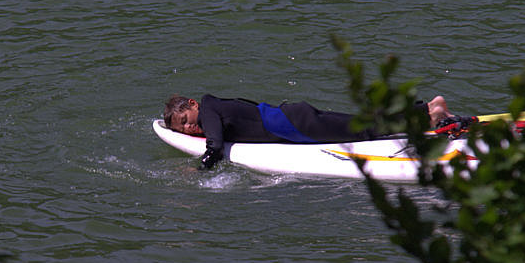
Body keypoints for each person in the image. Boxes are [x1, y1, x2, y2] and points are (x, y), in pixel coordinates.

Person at [163, 93, 453, 170]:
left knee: (365, 131)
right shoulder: (214, 108)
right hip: (294, 117)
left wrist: (199, 172)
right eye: (183, 128)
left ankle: (429, 114)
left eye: (187, 119)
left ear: (193, 103)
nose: (189, 127)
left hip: (296, 125)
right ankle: (426, 109)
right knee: (362, 124)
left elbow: (214, 144)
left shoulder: (209, 108)